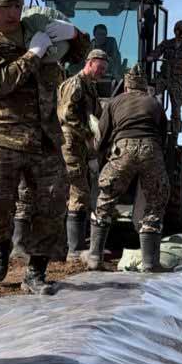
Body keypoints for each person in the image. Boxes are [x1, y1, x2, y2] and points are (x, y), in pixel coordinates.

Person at [0, 0, 76, 294]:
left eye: (17, 5)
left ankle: (36, 272)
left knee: (52, 203)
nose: (13, 12)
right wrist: (33, 55)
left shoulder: (36, 30)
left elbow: (76, 57)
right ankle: (0, 245)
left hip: (45, 134)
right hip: (2, 133)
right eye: (5, 7)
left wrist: (76, 35)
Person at [87, 65, 169, 272]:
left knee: (105, 199)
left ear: (126, 87)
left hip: (122, 150)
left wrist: (99, 157)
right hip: (151, 150)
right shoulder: (155, 103)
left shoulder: (115, 102)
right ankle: (150, 263)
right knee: (154, 203)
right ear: (144, 86)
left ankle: (95, 258)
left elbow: (102, 136)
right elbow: (164, 135)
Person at [56, 49, 108, 259]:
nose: (103, 72)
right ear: (89, 63)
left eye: (105, 69)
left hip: (81, 144)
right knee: (79, 190)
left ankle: (73, 245)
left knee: (81, 190)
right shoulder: (75, 84)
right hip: (71, 142)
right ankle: (74, 250)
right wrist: (88, 135)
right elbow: (67, 114)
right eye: (100, 68)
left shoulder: (90, 87)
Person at [147, 20, 182, 134]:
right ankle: (151, 119)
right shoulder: (167, 43)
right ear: (175, 31)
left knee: (176, 107)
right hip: (164, 77)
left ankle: (174, 135)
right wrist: (150, 57)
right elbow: (156, 53)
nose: (181, 34)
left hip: (176, 81)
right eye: (179, 30)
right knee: (151, 94)